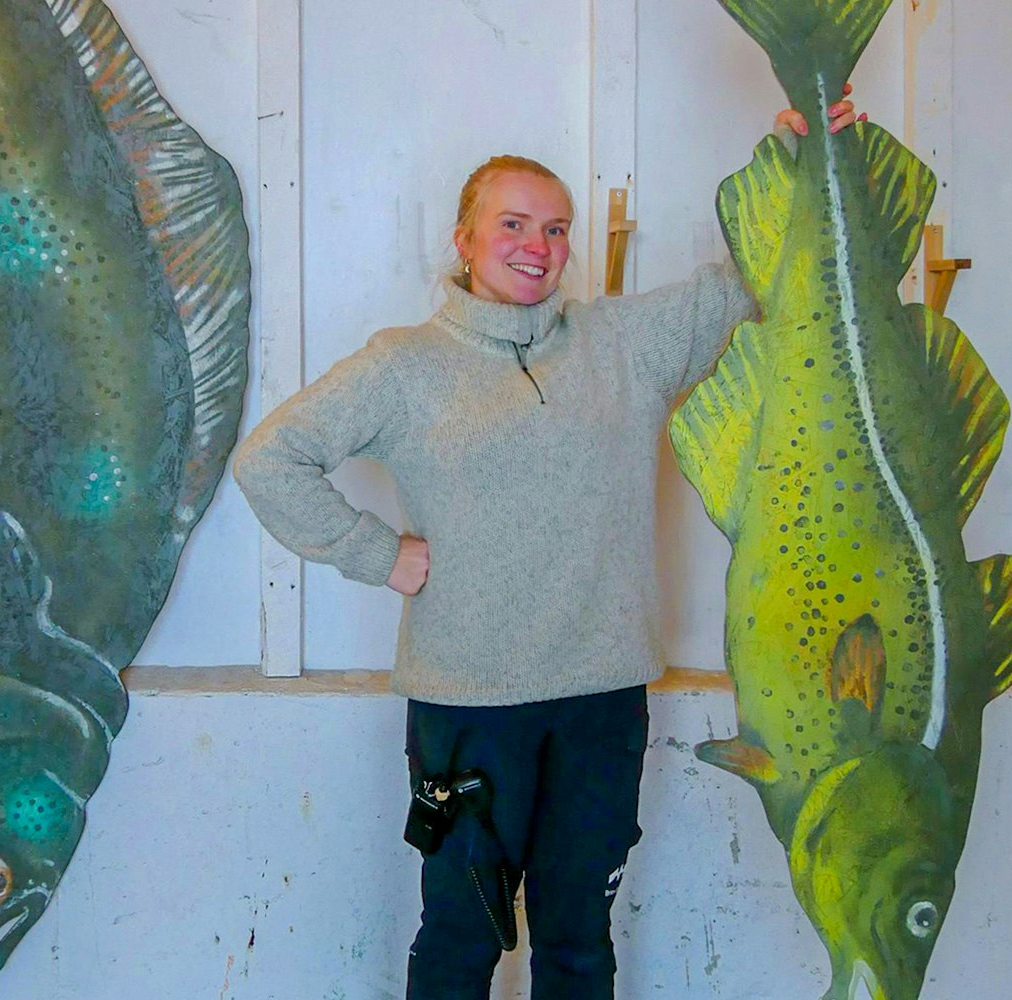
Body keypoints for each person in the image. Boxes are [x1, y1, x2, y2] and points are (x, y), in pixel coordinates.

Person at [232, 94, 860, 999]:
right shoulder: (404, 364)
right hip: (470, 705)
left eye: (556, 228)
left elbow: (740, 282)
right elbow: (270, 458)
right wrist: (377, 553)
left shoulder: (623, 344)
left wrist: (794, 160)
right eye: (514, 224)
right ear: (464, 240)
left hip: (602, 703)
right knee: (461, 937)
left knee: (578, 943)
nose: (538, 245)